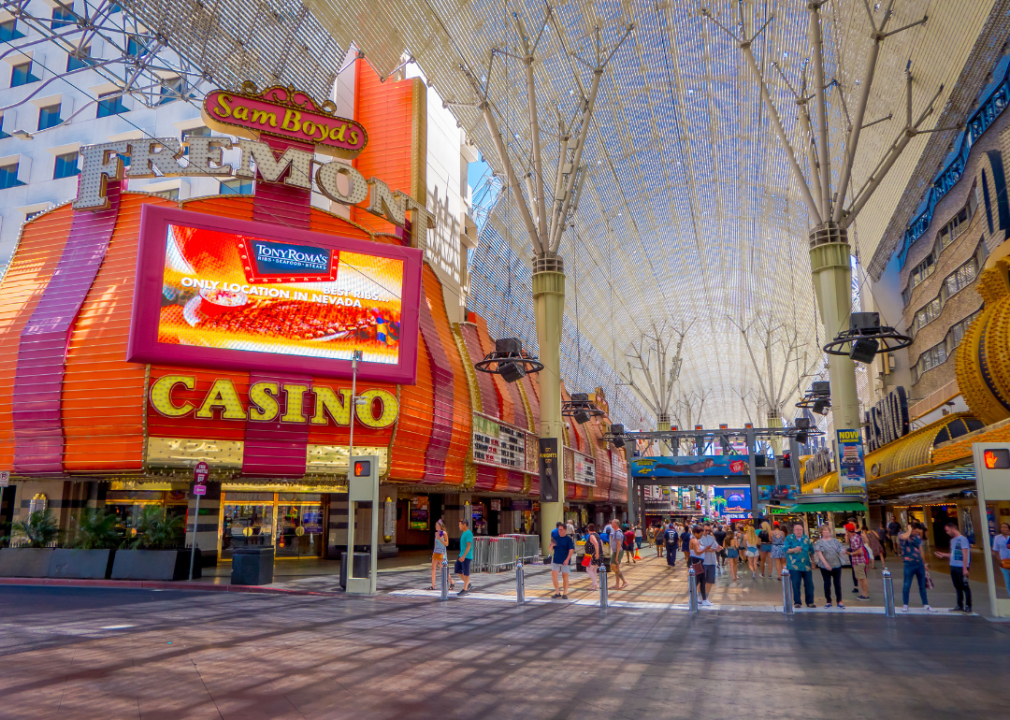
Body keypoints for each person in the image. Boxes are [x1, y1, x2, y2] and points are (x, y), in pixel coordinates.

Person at [935, 520, 972, 613]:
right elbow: (954, 554)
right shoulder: (952, 540)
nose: (947, 533)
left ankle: (968, 605)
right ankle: (959, 604)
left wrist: (965, 568)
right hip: (953, 565)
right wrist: (943, 555)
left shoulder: (963, 539)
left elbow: (965, 554)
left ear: (953, 529)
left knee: (965, 587)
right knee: (957, 586)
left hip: (961, 567)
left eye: (948, 530)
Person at [898, 522, 932, 612]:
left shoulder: (917, 537)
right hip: (909, 564)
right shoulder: (902, 534)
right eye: (916, 531)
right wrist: (909, 529)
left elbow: (921, 550)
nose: (917, 533)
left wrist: (925, 564)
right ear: (911, 529)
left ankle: (925, 604)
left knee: (922, 586)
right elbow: (905, 537)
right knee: (907, 585)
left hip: (919, 564)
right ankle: (905, 604)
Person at [784, 522, 815, 608]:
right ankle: (797, 602)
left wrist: (813, 562)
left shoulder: (806, 539)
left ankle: (810, 602)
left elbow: (811, 551)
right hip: (794, 566)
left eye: (800, 530)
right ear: (794, 530)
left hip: (806, 565)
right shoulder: (789, 538)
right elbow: (785, 550)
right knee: (795, 584)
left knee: (809, 584)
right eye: (797, 530)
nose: (799, 531)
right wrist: (794, 549)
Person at [813, 525, 845, 608]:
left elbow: (840, 548)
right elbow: (819, 553)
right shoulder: (820, 542)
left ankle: (839, 601)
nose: (827, 532)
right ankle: (828, 601)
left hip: (836, 565)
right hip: (824, 566)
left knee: (837, 583)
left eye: (828, 530)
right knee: (827, 583)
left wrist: (842, 551)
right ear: (822, 532)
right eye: (825, 530)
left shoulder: (835, 541)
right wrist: (826, 564)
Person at [845, 522, 870, 600]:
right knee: (860, 577)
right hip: (857, 561)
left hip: (858, 560)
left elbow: (860, 551)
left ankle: (865, 594)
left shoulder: (855, 538)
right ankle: (864, 593)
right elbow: (847, 542)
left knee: (862, 578)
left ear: (848, 531)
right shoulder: (854, 537)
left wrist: (851, 553)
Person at [688, 526, 713, 606]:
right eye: (700, 534)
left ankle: (703, 599)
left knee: (701, 580)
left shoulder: (696, 540)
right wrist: (705, 548)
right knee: (697, 580)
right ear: (696, 533)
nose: (701, 536)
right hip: (696, 562)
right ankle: (693, 599)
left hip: (698, 561)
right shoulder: (694, 541)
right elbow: (698, 552)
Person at [550, 522, 575, 599]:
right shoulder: (555, 538)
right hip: (556, 560)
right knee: (554, 576)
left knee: (565, 577)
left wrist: (567, 559)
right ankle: (557, 592)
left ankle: (565, 593)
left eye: (561, 530)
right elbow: (550, 549)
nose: (559, 531)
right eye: (559, 530)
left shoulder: (568, 539)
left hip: (565, 561)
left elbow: (571, 550)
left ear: (565, 530)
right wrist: (551, 545)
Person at [429, 519, 455, 591]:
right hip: (436, 551)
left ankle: (451, 582)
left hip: (442, 552)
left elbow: (447, 544)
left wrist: (441, 539)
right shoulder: (435, 533)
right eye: (435, 525)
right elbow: (435, 544)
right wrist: (433, 553)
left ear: (440, 526)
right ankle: (433, 586)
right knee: (433, 568)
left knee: (442, 570)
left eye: (437, 525)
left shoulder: (444, 533)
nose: (435, 526)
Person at [699, 524, 722, 604]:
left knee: (710, 581)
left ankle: (705, 598)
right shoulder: (699, 538)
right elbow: (698, 549)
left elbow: (716, 547)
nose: (707, 532)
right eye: (706, 530)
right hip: (703, 562)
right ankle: (699, 597)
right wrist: (708, 550)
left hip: (712, 562)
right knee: (701, 581)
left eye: (709, 530)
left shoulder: (711, 538)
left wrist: (719, 548)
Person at [455, 519, 474, 595]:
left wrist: (464, 556)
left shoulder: (469, 533)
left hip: (466, 556)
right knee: (457, 570)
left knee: (466, 572)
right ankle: (468, 584)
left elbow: (469, 546)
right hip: (461, 555)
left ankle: (465, 589)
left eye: (460, 524)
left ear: (464, 524)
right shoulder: (464, 533)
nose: (459, 526)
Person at [583, 523, 604, 590]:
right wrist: (599, 552)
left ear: (589, 529)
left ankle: (594, 584)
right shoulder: (597, 535)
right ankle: (594, 585)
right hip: (592, 554)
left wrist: (597, 553)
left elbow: (596, 544)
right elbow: (601, 543)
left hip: (590, 555)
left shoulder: (591, 536)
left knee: (588, 569)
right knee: (594, 569)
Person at [609, 519, 629, 589]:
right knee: (616, 567)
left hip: (617, 552)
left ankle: (624, 581)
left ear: (615, 524)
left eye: (612, 523)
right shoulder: (615, 532)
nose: (611, 524)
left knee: (613, 567)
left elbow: (618, 544)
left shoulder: (618, 532)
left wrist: (617, 556)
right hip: (616, 551)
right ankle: (617, 584)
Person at [991, 522, 1010, 595]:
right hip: (1004, 560)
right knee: (1007, 578)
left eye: (1005, 527)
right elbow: (995, 550)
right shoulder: (997, 538)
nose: (1004, 529)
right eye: (1002, 527)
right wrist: (1000, 559)